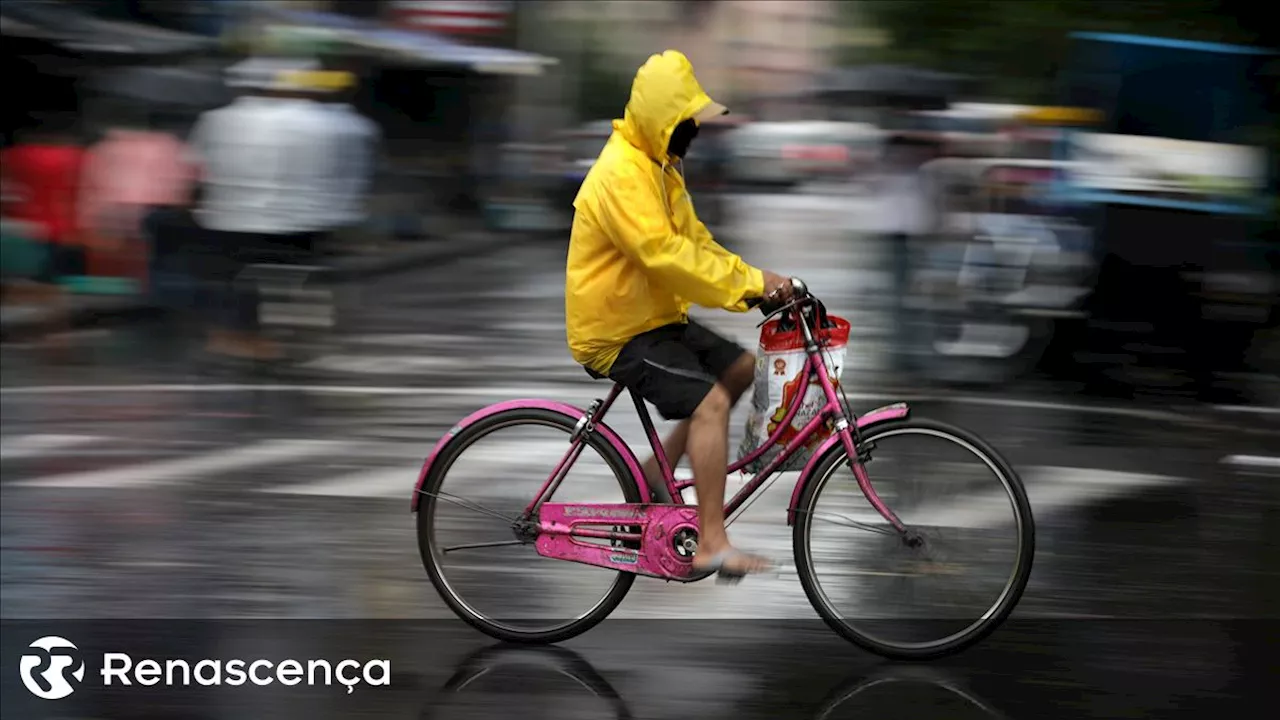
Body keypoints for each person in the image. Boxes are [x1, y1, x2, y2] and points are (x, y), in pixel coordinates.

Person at [565, 50, 792, 582]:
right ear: (660, 120)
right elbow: (665, 255)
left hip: (653, 317)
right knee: (711, 404)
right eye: (687, 121)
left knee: (741, 369)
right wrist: (754, 285)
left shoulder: (661, 167)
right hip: (616, 330)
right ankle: (712, 542)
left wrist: (757, 282)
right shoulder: (623, 173)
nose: (694, 130)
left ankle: (656, 474)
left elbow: (696, 243)